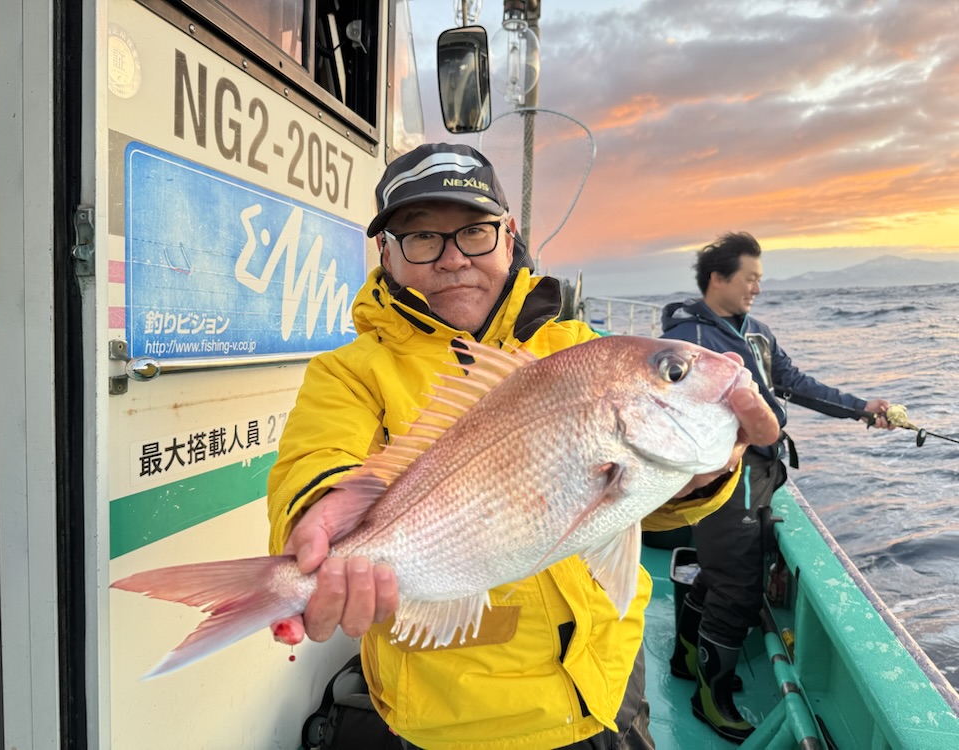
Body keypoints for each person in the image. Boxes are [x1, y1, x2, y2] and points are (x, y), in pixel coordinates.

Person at [266, 144, 780, 750]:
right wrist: (315, 515)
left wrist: (709, 474)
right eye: (422, 237)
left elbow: (642, 506)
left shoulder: (580, 350)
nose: (453, 258)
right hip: (456, 717)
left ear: (508, 237)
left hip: (608, 683)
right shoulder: (349, 373)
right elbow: (315, 459)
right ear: (386, 252)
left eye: (474, 232)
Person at [660, 231, 893, 743]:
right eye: (750, 279)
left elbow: (794, 382)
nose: (757, 289)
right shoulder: (689, 340)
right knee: (737, 586)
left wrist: (861, 409)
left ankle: (685, 660)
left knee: (720, 573)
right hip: (726, 475)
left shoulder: (757, 333)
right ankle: (711, 699)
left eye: (759, 280)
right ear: (718, 278)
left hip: (762, 471)